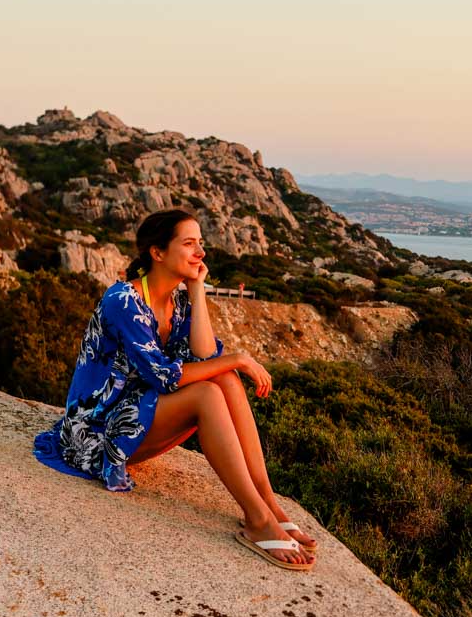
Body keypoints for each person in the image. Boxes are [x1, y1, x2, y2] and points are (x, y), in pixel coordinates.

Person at [33, 209, 316, 570]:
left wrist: (197, 291)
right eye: (188, 243)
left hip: (138, 415)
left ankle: (268, 504)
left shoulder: (179, 301)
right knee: (208, 392)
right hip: (97, 433)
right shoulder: (123, 301)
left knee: (224, 380)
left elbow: (204, 354)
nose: (200, 252)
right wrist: (240, 358)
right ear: (158, 252)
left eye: (201, 244)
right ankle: (258, 520)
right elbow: (164, 377)